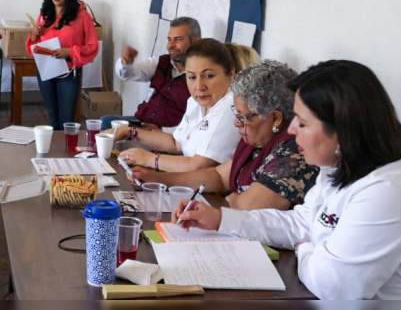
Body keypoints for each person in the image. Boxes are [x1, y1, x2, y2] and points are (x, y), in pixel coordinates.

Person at [175, 60, 401, 299]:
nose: (291, 130)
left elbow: (334, 288)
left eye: (303, 123)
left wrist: (306, 248)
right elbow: (301, 222)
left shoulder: (391, 192)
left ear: (342, 131)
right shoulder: (340, 168)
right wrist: (220, 219)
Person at [133, 60, 318, 211]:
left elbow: (246, 207)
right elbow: (219, 177)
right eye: (235, 114)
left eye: (243, 118)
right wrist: (158, 179)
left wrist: (234, 200)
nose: (237, 123)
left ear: (275, 118)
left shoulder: (295, 151)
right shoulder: (256, 138)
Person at [115, 38, 241, 174]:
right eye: (192, 77)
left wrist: (149, 159)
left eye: (209, 76)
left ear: (231, 75)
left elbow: (200, 166)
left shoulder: (231, 107)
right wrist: (129, 131)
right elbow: (176, 143)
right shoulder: (195, 102)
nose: (199, 86)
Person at [26, 0, 98, 130]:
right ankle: (53, 151)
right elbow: (35, 48)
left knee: (66, 118)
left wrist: (70, 51)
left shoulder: (82, 16)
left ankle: (66, 151)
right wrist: (33, 36)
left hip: (68, 72)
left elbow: (92, 46)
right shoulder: (45, 16)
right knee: (52, 116)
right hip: (46, 70)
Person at [104, 17, 201, 131]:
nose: (170, 45)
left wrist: (161, 131)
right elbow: (127, 74)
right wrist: (126, 62)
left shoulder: (201, 76)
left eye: (178, 39)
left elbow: (197, 123)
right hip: (140, 123)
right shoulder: (161, 62)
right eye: (169, 39)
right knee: (106, 122)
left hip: (168, 134)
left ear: (195, 41)